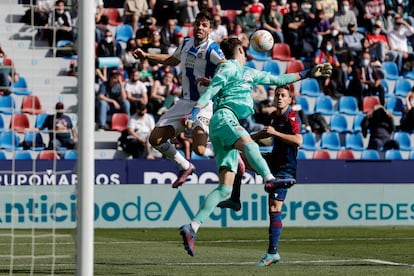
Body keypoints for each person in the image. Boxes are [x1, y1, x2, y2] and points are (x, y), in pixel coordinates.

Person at [177, 37, 332, 260]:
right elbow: (210, 91)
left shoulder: (247, 72)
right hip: (224, 117)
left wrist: (308, 73)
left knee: (224, 188)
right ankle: (270, 178)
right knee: (249, 143)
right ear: (240, 49)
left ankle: (193, 227)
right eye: (245, 48)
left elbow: (279, 78)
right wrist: (194, 113)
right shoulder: (228, 66)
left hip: (226, 125)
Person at [133, 10, 226, 188]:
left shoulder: (212, 48)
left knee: (199, 149)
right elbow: (172, 59)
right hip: (184, 102)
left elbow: (225, 66)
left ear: (209, 29)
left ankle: (229, 151)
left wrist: (213, 80)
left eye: (204, 25)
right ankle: (185, 166)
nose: (200, 27)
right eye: (198, 24)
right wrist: (146, 55)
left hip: (204, 104)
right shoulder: (186, 43)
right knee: (155, 139)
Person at [217, 85, 302, 266]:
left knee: (273, 209)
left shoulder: (292, 116)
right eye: (277, 95)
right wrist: (246, 139)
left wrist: (276, 133)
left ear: (289, 100)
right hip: (272, 161)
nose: (279, 97)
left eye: (283, 95)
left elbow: (298, 141)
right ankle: (235, 199)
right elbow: (265, 134)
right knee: (241, 157)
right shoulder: (273, 117)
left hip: (285, 167)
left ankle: (272, 253)